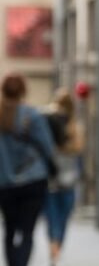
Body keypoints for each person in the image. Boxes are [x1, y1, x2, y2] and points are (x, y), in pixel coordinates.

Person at [0, 73, 56, 266]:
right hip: (33, 181)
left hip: (5, 183)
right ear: (23, 91)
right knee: (27, 230)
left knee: (9, 229)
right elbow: (48, 147)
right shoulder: (32, 116)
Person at [42, 88, 84, 266]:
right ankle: (56, 243)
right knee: (60, 214)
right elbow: (78, 150)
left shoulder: (70, 125)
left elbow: (77, 148)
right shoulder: (53, 120)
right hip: (64, 176)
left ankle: (54, 243)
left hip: (56, 176)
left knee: (54, 214)